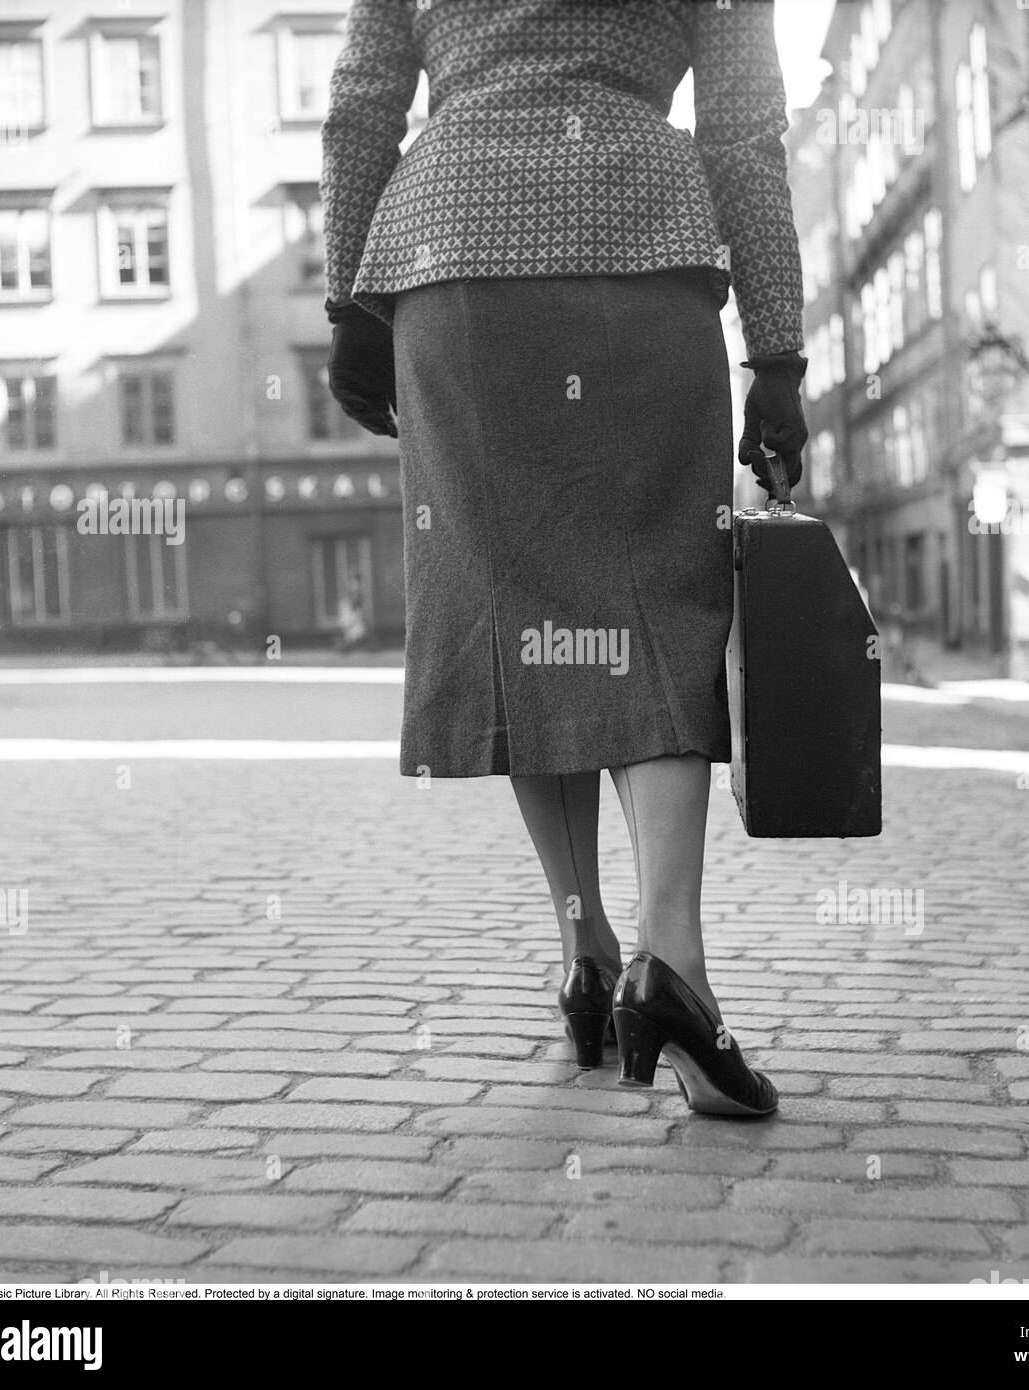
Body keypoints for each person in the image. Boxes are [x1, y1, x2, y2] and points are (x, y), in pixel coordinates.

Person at [322, 0, 807, 1117]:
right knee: (662, 604)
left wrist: (349, 292)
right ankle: (669, 962)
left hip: (453, 258)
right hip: (642, 245)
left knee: (517, 603)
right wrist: (776, 352)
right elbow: (744, 129)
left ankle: (586, 956)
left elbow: (360, 107)